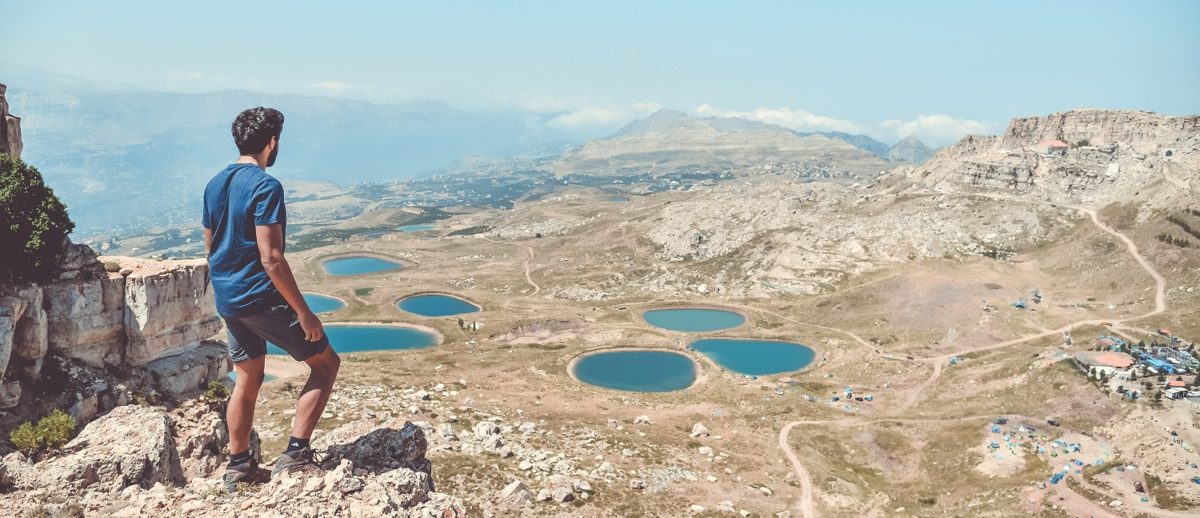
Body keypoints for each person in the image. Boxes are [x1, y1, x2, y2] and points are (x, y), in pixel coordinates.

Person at [202, 107, 341, 492]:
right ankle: (296, 452)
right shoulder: (266, 186)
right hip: (260, 298)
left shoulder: (215, 183)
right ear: (272, 142)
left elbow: (210, 247)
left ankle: (239, 464)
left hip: (229, 298)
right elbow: (272, 258)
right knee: (326, 364)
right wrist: (304, 312)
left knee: (248, 376)